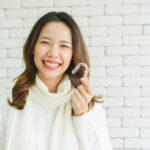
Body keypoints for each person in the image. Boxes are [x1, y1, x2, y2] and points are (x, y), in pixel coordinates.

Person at [0, 11, 113, 150]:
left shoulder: (87, 104)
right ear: (32, 47)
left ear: (73, 53)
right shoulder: (9, 101)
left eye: (64, 46)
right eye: (45, 42)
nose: (53, 53)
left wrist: (83, 115)